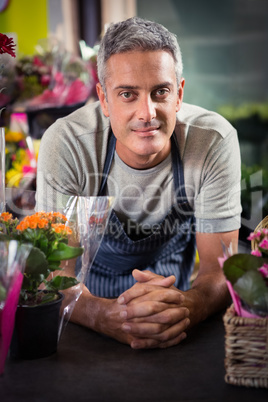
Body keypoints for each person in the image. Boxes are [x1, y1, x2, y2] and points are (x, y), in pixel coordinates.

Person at [36, 17, 241, 349]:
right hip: (83, 322)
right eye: (128, 94)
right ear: (103, 99)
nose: (147, 113)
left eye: (160, 92)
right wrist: (104, 316)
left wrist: (189, 306)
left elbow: (221, 269)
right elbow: (53, 277)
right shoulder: (68, 144)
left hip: (179, 316)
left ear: (179, 94)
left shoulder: (213, 140)